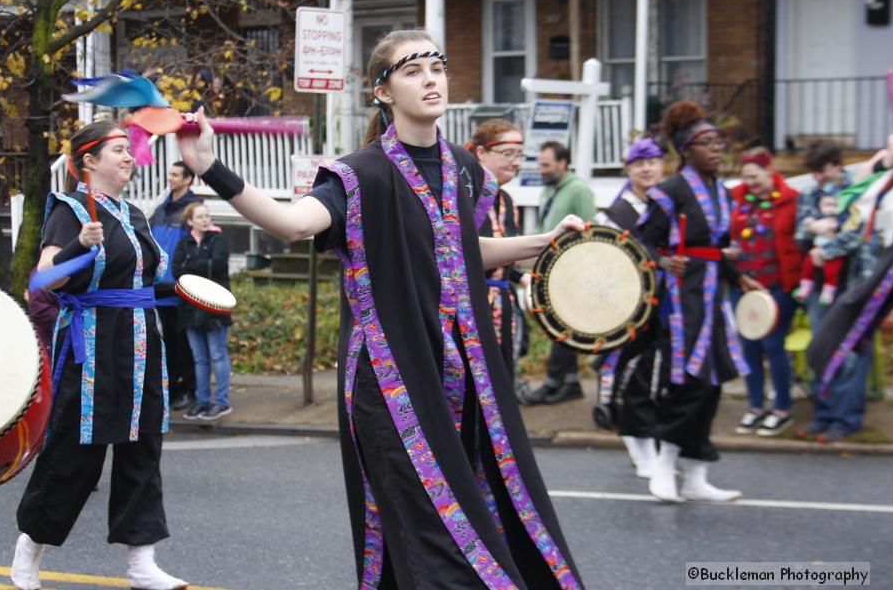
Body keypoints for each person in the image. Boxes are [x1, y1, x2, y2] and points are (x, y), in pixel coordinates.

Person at [176, 30, 584, 589]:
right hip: (392, 382)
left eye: (437, 66)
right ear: (383, 91)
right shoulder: (360, 173)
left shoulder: (464, 167)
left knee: (473, 519)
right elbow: (293, 224)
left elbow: (463, 249)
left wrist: (542, 241)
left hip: (464, 378)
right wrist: (211, 167)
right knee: (442, 543)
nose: (430, 79)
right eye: (412, 70)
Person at [11, 121, 186, 590]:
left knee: (142, 449)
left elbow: (150, 278)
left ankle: (141, 563)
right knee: (74, 456)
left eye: (129, 150)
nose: (129, 157)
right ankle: (30, 547)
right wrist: (77, 246)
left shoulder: (136, 214)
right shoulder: (70, 210)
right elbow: (45, 278)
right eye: (118, 150)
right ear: (88, 161)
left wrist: (184, 290)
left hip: (143, 344)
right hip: (92, 345)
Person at [637, 101, 764, 503]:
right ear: (685, 150)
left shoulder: (722, 194)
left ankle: (695, 476)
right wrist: (661, 258)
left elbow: (718, 249)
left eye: (718, 142)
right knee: (686, 381)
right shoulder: (671, 191)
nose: (716, 149)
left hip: (714, 300)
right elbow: (640, 241)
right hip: (681, 300)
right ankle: (662, 464)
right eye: (705, 143)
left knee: (711, 384)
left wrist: (739, 277)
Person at [800, 138, 892, 443]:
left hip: (855, 284)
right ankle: (823, 414)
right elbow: (800, 232)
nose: (818, 178)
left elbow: (859, 232)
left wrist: (829, 245)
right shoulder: (812, 194)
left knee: (852, 351)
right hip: (819, 287)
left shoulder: (865, 186)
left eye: (821, 171)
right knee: (822, 346)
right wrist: (813, 229)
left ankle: (846, 418)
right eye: (813, 172)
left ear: (837, 165)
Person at [592, 136, 665, 478]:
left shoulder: (670, 206)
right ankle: (638, 443)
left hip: (669, 306)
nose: (647, 169)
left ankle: (657, 444)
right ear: (628, 169)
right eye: (639, 163)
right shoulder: (613, 215)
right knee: (632, 373)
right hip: (629, 308)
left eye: (652, 162)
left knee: (662, 376)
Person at [726, 147, 802, 437]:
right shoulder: (736, 199)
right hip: (742, 284)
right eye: (746, 177)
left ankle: (782, 408)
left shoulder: (790, 200)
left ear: (769, 172)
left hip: (776, 285)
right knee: (748, 347)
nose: (751, 183)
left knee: (773, 345)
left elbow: (797, 241)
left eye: (755, 176)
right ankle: (755, 407)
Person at [519, 141, 597, 405]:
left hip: (573, 270)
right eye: (540, 164)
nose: (541, 170)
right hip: (552, 270)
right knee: (559, 326)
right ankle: (570, 383)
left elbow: (589, 231)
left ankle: (555, 383)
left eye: (546, 165)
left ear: (563, 163)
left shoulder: (578, 190)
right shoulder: (549, 190)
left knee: (562, 327)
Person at [469, 118, 527, 380]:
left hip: (503, 304)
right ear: (481, 152)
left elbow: (504, 259)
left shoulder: (507, 201)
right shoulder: (464, 196)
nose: (515, 162)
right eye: (507, 154)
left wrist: (522, 278)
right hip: (472, 305)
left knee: (504, 380)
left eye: (519, 155)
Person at [173, 202, 233, 421]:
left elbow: (216, 265)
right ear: (190, 221)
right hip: (190, 307)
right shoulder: (184, 243)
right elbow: (177, 270)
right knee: (199, 358)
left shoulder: (218, 240)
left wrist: (192, 266)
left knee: (218, 355)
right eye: (200, 217)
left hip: (215, 307)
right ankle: (202, 401)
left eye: (207, 216)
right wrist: (199, 265)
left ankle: (222, 402)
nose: (205, 220)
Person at [149, 161, 202, 410]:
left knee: (184, 343)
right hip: (159, 287)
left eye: (175, 175)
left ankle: (188, 389)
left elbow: (197, 246)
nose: (170, 178)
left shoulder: (193, 208)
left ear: (188, 179)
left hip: (181, 288)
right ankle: (171, 388)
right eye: (169, 174)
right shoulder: (161, 209)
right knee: (167, 342)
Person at [793, 186, 845, 305]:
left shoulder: (840, 219)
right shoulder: (817, 217)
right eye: (827, 205)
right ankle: (805, 287)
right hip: (816, 248)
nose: (831, 209)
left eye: (834, 205)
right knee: (808, 266)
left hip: (833, 253)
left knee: (831, 272)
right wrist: (811, 225)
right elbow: (803, 232)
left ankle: (828, 292)